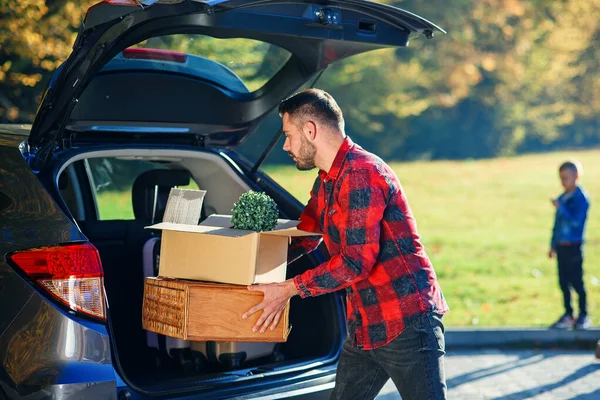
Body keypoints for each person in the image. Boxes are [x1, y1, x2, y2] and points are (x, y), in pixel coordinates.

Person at [242, 89, 449, 400]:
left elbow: (355, 263)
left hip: (407, 321)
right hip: (366, 324)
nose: (285, 145)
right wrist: (246, 258)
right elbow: (307, 236)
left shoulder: (362, 174)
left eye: (288, 135)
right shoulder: (328, 178)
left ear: (310, 130)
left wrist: (286, 290)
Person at [549, 160, 590, 330]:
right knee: (563, 281)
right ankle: (568, 313)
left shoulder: (580, 199)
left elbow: (575, 222)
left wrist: (562, 208)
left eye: (566, 177)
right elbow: (557, 226)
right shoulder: (562, 198)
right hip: (562, 245)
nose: (563, 182)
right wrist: (552, 245)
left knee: (577, 281)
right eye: (561, 178)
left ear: (576, 176)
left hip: (574, 245)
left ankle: (583, 315)